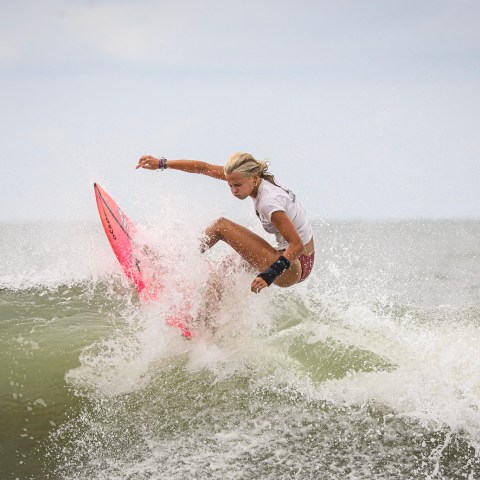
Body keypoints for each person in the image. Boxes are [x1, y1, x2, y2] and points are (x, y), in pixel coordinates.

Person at [136, 152, 314, 294]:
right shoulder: (250, 178)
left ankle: (173, 266)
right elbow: (203, 168)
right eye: (230, 185)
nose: (233, 191)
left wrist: (270, 274)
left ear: (254, 178)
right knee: (226, 269)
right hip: (298, 260)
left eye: (237, 186)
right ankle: (209, 322)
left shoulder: (269, 202)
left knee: (221, 226)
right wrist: (162, 163)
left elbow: (296, 245)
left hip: (292, 266)